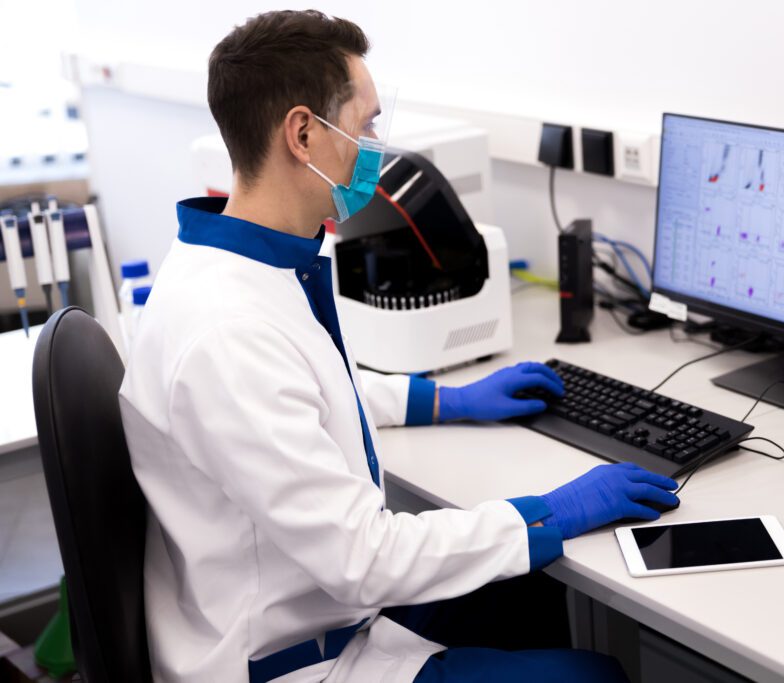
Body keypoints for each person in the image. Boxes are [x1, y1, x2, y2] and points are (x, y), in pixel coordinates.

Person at [119, 10, 679, 682]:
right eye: (367, 123)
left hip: (317, 610)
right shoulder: (226, 332)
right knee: (593, 676)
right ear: (302, 133)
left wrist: (444, 398)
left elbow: (303, 394)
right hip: (293, 659)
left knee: (534, 589)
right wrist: (551, 510)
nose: (377, 145)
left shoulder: (234, 263)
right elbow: (366, 559)